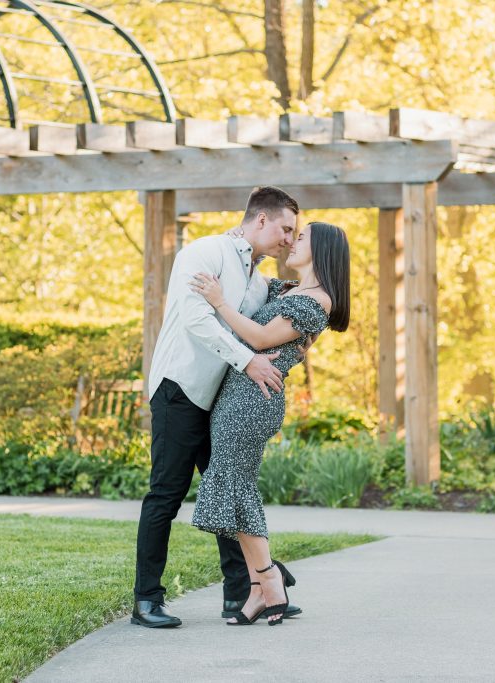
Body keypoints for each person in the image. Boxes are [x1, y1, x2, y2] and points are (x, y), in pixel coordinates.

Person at [132, 186, 302, 628]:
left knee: (225, 490)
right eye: (285, 228)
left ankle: (243, 595)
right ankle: (146, 599)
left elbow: (271, 322)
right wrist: (249, 363)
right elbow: (195, 318)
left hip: (218, 397)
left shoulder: (260, 279)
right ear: (260, 220)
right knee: (165, 495)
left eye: (294, 233)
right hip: (180, 389)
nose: (288, 239)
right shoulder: (203, 252)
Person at [189, 221, 351, 625]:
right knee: (234, 483)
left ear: (323, 249)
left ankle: (268, 578)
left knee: (235, 484)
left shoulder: (318, 302)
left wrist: (217, 301)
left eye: (301, 238)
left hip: (254, 400)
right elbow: (252, 277)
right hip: (240, 394)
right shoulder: (290, 290)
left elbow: (261, 339)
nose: (292, 243)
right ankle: (261, 589)